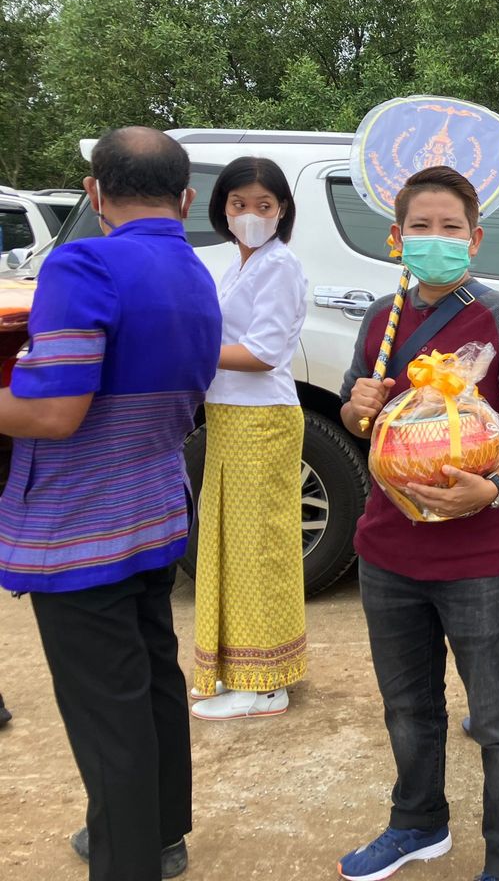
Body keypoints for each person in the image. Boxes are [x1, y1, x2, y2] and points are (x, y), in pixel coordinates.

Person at [0, 126, 221, 880]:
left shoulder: (84, 261)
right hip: (154, 507)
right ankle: (159, 833)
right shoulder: (195, 271)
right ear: (185, 198)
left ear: (95, 192)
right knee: (152, 680)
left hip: (81, 523)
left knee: (107, 713)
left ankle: (128, 860)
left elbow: (54, 412)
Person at [337, 166, 499, 881]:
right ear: (397, 236)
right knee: (407, 706)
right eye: (421, 227)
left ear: (475, 238)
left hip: (481, 557)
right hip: (388, 549)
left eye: (451, 227)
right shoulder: (382, 319)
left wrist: (492, 488)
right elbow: (358, 418)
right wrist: (356, 406)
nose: (435, 239)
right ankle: (417, 823)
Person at [188, 157, 309, 721]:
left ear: (282, 210)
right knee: (232, 546)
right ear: (223, 208)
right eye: (240, 204)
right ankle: (241, 668)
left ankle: (265, 685)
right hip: (231, 415)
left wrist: (186, 351)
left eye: (264, 205)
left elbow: (262, 353)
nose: (251, 215)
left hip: (261, 418)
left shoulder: (278, 265)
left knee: (257, 548)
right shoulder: (238, 264)